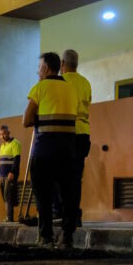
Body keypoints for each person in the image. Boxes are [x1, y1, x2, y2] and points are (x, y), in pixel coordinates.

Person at [22, 52, 78, 248]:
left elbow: (26, 120)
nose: (37, 71)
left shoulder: (40, 88)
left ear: (46, 68)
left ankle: (45, 236)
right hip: (68, 150)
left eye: (39, 68)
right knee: (67, 195)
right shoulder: (71, 89)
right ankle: (67, 237)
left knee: (43, 195)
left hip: (44, 151)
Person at [60, 49, 92, 227]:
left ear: (62, 65)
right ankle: (75, 214)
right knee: (76, 176)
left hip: (65, 132)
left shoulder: (60, 81)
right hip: (83, 133)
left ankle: (65, 214)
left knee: (62, 177)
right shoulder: (85, 83)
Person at [0, 125, 21, 222]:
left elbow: (17, 160)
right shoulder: (2, 146)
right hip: (2, 176)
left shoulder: (15, 143)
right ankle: (8, 217)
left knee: (9, 197)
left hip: (10, 175)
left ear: (9, 133)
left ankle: (10, 218)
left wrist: (12, 172)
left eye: (4, 134)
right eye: (0, 134)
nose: (2, 136)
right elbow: (1, 162)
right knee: (5, 197)